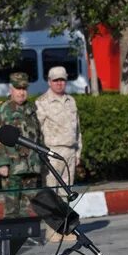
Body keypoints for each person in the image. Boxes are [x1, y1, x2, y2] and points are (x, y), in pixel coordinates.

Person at [35, 65, 82, 243]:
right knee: (51, 193)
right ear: (49, 81)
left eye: (62, 80)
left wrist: (78, 151)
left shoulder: (71, 101)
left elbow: (78, 129)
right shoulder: (42, 102)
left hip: (70, 150)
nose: (59, 83)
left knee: (66, 192)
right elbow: (37, 130)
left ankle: (65, 229)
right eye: (56, 80)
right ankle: (52, 231)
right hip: (52, 151)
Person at [0, 72, 42, 220]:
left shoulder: (31, 109)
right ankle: (10, 240)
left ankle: (25, 236)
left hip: (30, 165)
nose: (21, 92)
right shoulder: (2, 109)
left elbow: (38, 135)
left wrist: (40, 159)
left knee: (27, 206)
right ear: (11, 88)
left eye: (24, 89)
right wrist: (2, 163)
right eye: (18, 88)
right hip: (12, 166)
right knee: (12, 207)